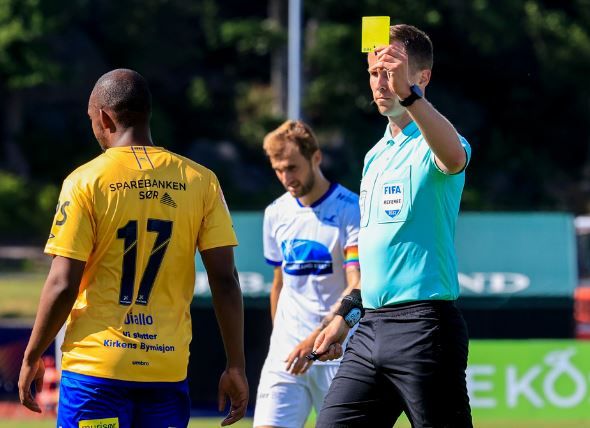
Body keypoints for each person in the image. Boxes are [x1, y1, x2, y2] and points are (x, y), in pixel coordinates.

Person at [17, 69, 248, 428]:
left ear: (104, 118)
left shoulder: (85, 181)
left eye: (92, 119)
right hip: (166, 371)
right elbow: (225, 280)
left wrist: (32, 355)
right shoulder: (201, 180)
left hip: (97, 371)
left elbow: (63, 283)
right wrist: (236, 365)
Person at [313, 24, 473, 427]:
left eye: (391, 72)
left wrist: (410, 96)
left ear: (423, 77)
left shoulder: (437, 141)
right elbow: (376, 259)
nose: (380, 83)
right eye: (374, 73)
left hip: (424, 326)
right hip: (369, 327)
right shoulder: (375, 155)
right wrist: (345, 316)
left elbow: (455, 158)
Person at [253, 120, 361, 428]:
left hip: (336, 354)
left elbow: (357, 284)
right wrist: (280, 339)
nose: (286, 178)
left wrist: (314, 339)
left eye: (292, 167)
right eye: (278, 170)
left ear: (316, 157)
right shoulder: (275, 213)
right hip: (287, 357)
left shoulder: (351, 209)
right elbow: (279, 285)